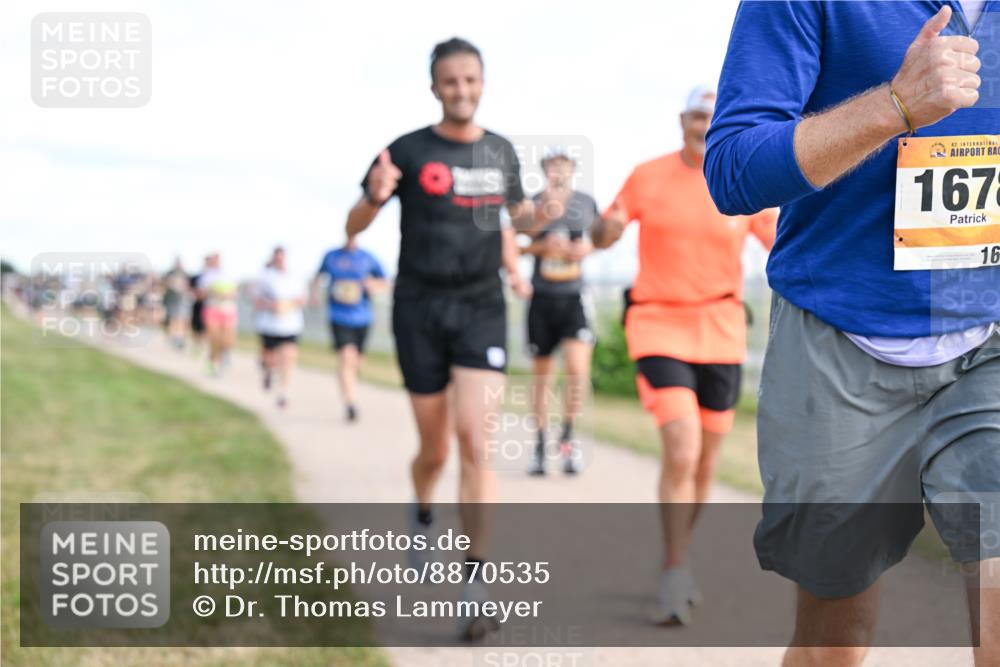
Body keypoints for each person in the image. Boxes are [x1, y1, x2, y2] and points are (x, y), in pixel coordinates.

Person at [705, 3, 999, 665]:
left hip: (986, 341)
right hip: (839, 339)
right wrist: (895, 105)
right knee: (834, 643)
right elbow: (732, 171)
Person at [345, 37, 543, 640]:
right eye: (450, 81)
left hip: (481, 308)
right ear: (434, 87)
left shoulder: (500, 151)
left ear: (483, 83)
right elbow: (353, 224)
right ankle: (423, 509)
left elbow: (518, 219)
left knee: (476, 441)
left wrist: (537, 216)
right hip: (419, 311)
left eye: (470, 80)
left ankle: (475, 582)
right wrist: (374, 196)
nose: (461, 90)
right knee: (433, 450)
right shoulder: (406, 150)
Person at [592, 85, 777, 625]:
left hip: (721, 331)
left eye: (714, 117)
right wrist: (604, 229)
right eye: (698, 115)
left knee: (705, 463)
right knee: (682, 446)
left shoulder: (741, 181)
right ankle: (674, 570)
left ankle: (679, 553)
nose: (705, 125)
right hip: (658, 325)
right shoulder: (647, 175)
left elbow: (784, 241)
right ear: (682, 120)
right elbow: (605, 231)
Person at [519, 147, 598, 476]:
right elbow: (519, 243)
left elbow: (598, 239)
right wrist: (543, 243)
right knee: (543, 377)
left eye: (564, 165)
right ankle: (540, 445)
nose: (558, 170)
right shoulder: (533, 201)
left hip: (574, 296)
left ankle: (567, 439)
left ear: (573, 169)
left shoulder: (586, 202)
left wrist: (584, 249)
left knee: (577, 372)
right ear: (545, 170)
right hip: (542, 297)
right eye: (553, 165)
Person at [312, 236, 387, 422]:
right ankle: (350, 404)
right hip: (339, 316)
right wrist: (314, 295)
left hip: (363, 317)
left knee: (356, 362)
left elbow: (385, 281)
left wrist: (372, 285)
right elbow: (317, 277)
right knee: (346, 357)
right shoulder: (331, 256)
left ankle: (350, 385)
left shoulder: (368, 257)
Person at [254, 246, 305, 409]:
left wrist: (288, 304)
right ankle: (268, 371)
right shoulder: (265, 277)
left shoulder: (295, 276)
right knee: (270, 358)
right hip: (269, 325)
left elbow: (302, 299)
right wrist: (271, 305)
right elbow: (256, 300)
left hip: (290, 325)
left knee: (288, 356)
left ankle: (284, 392)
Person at [196, 253, 238, 376]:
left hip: (227, 309)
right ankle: (214, 363)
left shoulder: (229, 274)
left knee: (227, 339)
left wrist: (228, 295)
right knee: (214, 339)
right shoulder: (206, 276)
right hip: (212, 309)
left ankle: (224, 355)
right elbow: (200, 295)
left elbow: (235, 292)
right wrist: (212, 293)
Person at [162, 257, 190, 350]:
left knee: (182, 319)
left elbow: (187, 286)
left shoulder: (185, 274)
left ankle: (180, 338)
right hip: (171, 300)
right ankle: (173, 337)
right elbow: (164, 284)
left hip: (182, 300)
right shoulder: (170, 273)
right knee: (173, 318)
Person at [189, 257, 208, 356]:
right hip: (197, 304)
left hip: (208, 305)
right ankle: (196, 344)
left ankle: (201, 344)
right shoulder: (196, 277)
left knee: (205, 326)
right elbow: (190, 288)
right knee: (196, 326)